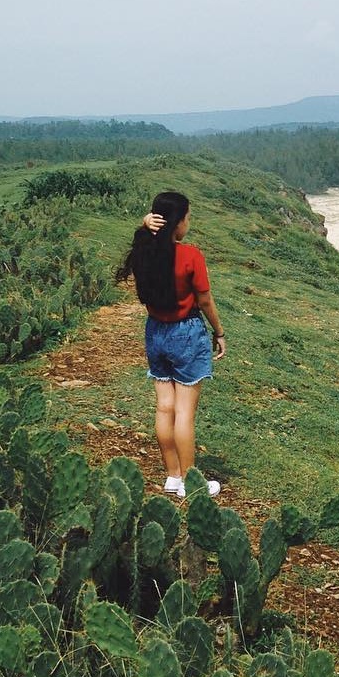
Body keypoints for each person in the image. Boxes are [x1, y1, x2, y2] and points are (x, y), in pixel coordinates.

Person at [116, 191, 226, 498]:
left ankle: (173, 477)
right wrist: (219, 331)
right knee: (184, 413)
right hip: (187, 333)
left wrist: (143, 225)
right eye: (187, 218)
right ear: (176, 222)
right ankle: (192, 486)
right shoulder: (190, 256)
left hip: (156, 332)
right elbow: (204, 300)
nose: (189, 223)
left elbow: (143, 238)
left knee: (165, 408)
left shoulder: (143, 250)